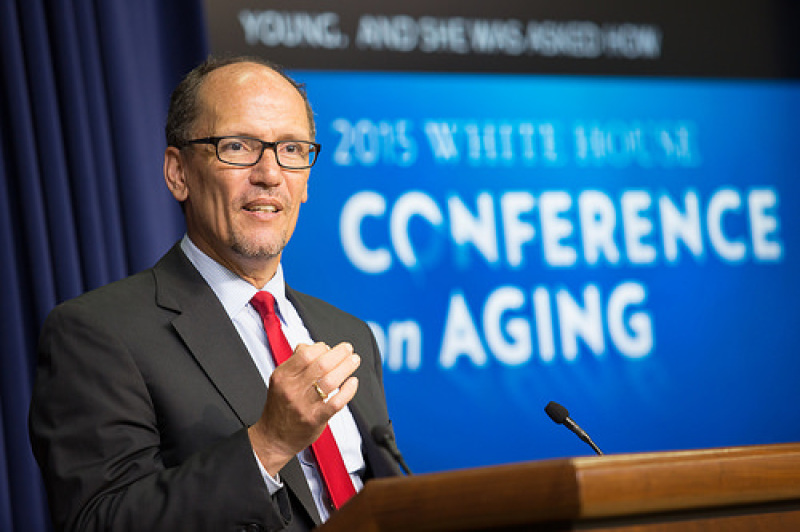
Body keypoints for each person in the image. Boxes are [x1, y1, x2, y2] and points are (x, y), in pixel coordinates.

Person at [29, 56, 403, 532]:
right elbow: (99, 521)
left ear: (306, 179)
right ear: (178, 173)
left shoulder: (348, 333)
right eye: (238, 146)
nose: (270, 173)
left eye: (291, 149)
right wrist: (267, 445)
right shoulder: (96, 334)